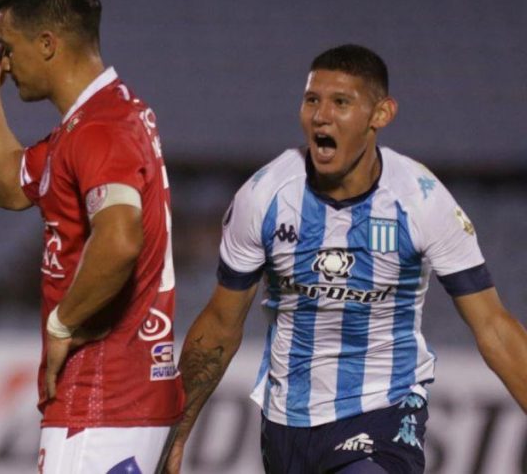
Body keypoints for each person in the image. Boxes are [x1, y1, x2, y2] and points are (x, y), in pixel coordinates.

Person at [160, 44, 527, 473]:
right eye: (312, 100)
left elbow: (494, 326)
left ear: (381, 115)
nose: (320, 116)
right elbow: (220, 325)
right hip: (286, 424)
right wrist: (178, 431)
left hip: (384, 409)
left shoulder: (421, 201)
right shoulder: (265, 197)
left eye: (340, 102)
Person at [0, 0, 184, 473]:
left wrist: (64, 324)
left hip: (102, 398)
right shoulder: (103, 119)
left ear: (47, 43)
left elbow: (121, 238)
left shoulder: (99, 131)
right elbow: (12, 188)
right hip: (124, 398)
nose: (5, 61)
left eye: (9, 45)